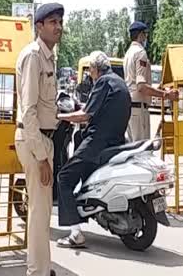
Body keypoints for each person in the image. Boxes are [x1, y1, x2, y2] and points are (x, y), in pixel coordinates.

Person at [15, 2, 66, 276]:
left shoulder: (48, 57)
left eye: (60, 22)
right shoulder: (34, 57)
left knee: (42, 210)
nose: (58, 27)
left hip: (42, 139)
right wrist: (43, 156)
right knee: (39, 212)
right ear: (39, 26)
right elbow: (29, 111)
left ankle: (41, 267)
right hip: (35, 141)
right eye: (52, 22)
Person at [55, 51, 131, 249]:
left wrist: (59, 117)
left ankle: (75, 233)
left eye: (90, 70)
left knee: (64, 177)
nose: (89, 74)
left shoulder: (103, 82)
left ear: (95, 69)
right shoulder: (119, 82)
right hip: (116, 143)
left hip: (97, 142)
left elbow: (85, 115)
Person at [124, 21, 179, 141]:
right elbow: (141, 87)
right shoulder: (140, 53)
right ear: (140, 35)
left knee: (133, 150)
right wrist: (166, 95)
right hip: (139, 110)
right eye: (145, 34)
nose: (146, 38)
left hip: (130, 108)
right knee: (141, 151)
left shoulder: (128, 53)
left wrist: (157, 89)